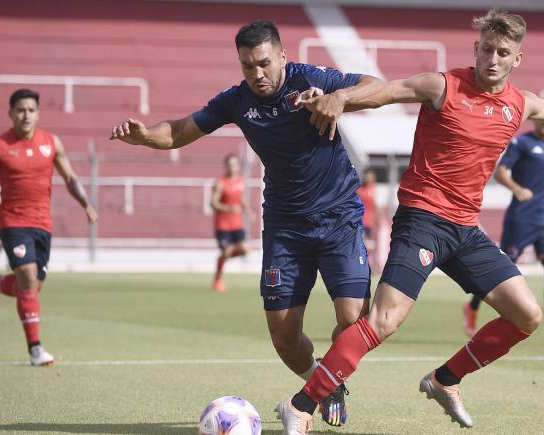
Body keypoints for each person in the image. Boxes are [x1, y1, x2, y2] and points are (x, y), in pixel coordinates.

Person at [275, 9, 544, 433]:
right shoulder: (443, 86)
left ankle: (445, 379)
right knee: (384, 320)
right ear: (476, 49)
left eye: (503, 52)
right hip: (422, 218)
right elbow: (387, 92)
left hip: (464, 229)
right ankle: (300, 405)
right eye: (487, 49)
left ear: (517, 59)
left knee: (527, 316)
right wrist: (341, 98)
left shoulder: (519, 103)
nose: (493, 59)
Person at [109, 21, 378, 427]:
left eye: (264, 64)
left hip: (338, 216)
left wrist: (338, 98)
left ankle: (320, 385)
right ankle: (327, 383)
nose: (257, 74)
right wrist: (147, 136)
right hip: (286, 226)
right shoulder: (236, 100)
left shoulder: (312, 78)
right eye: (247, 66)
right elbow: (181, 130)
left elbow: (377, 87)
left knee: (354, 319)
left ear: (283, 56)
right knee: (284, 337)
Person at [0, 88, 98, 366]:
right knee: (26, 276)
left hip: (42, 225)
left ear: (38, 114)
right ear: (10, 113)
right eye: (20, 110)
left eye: (31, 110)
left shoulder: (51, 142)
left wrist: (85, 204)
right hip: (12, 222)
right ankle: (35, 348)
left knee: (31, 287)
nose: (26, 115)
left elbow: (70, 178)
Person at [462, 119, 544, 342]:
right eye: (540, 117)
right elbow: (501, 172)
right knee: (499, 272)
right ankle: (472, 307)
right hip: (521, 218)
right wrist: (517, 189)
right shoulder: (522, 143)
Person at [211, 153, 249, 292]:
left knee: (245, 249)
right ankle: (218, 278)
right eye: (230, 164)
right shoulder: (221, 183)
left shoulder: (241, 181)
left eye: (235, 164)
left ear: (238, 166)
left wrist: (247, 209)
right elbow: (213, 203)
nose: (232, 167)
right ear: (226, 166)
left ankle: (223, 257)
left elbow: (241, 197)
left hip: (237, 225)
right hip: (223, 225)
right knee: (226, 252)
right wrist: (228, 208)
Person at [355, 168, 381, 272]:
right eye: (368, 176)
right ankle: (361, 266)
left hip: (370, 222)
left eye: (371, 176)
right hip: (360, 221)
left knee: (370, 244)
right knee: (361, 244)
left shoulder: (373, 188)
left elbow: (375, 203)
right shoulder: (359, 189)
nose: (369, 178)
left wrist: (379, 217)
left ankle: (370, 266)